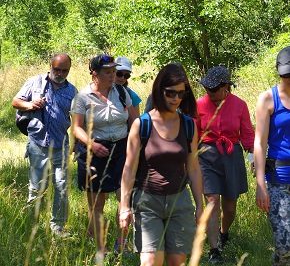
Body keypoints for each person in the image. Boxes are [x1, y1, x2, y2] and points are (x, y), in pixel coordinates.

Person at [119, 63, 203, 266]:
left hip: (180, 202)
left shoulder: (189, 125)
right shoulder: (142, 124)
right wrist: (124, 206)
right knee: (150, 261)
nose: (176, 99)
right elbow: (129, 168)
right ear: (159, 91)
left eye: (181, 94)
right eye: (171, 93)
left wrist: (200, 205)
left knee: (177, 261)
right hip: (148, 202)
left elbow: (193, 167)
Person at [71, 54, 138, 258]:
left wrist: (136, 149)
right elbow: (76, 128)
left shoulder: (122, 92)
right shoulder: (82, 97)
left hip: (121, 150)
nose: (112, 75)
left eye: (113, 71)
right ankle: (101, 248)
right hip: (95, 152)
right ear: (95, 74)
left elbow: (135, 122)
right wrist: (92, 144)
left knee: (125, 198)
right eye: (107, 72)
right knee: (97, 203)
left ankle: (122, 242)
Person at [12, 53, 77, 237]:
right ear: (51, 66)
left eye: (65, 70)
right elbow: (15, 102)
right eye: (57, 69)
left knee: (62, 188)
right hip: (38, 143)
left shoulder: (72, 91)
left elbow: (77, 119)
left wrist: (77, 142)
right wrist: (30, 104)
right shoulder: (35, 82)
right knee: (37, 187)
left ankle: (57, 228)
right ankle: (32, 226)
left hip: (61, 145)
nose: (60, 73)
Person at [196, 65, 254, 263]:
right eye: (207, 89)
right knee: (212, 202)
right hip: (206, 155)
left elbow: (247, 134)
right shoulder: (199, 105)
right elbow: (193, 136)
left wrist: (253, 158)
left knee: (230, 206)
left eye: (214, 90)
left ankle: (223, 233)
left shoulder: (240, 105)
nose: (210, 94)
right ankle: (214, 250)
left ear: (226, 87)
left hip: (231, 155)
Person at [255, 46, 290, 266]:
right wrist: (261, 184)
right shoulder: (268, 99)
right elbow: (259, 143)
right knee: (285, 245)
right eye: (285, 73)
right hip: (278, 179)